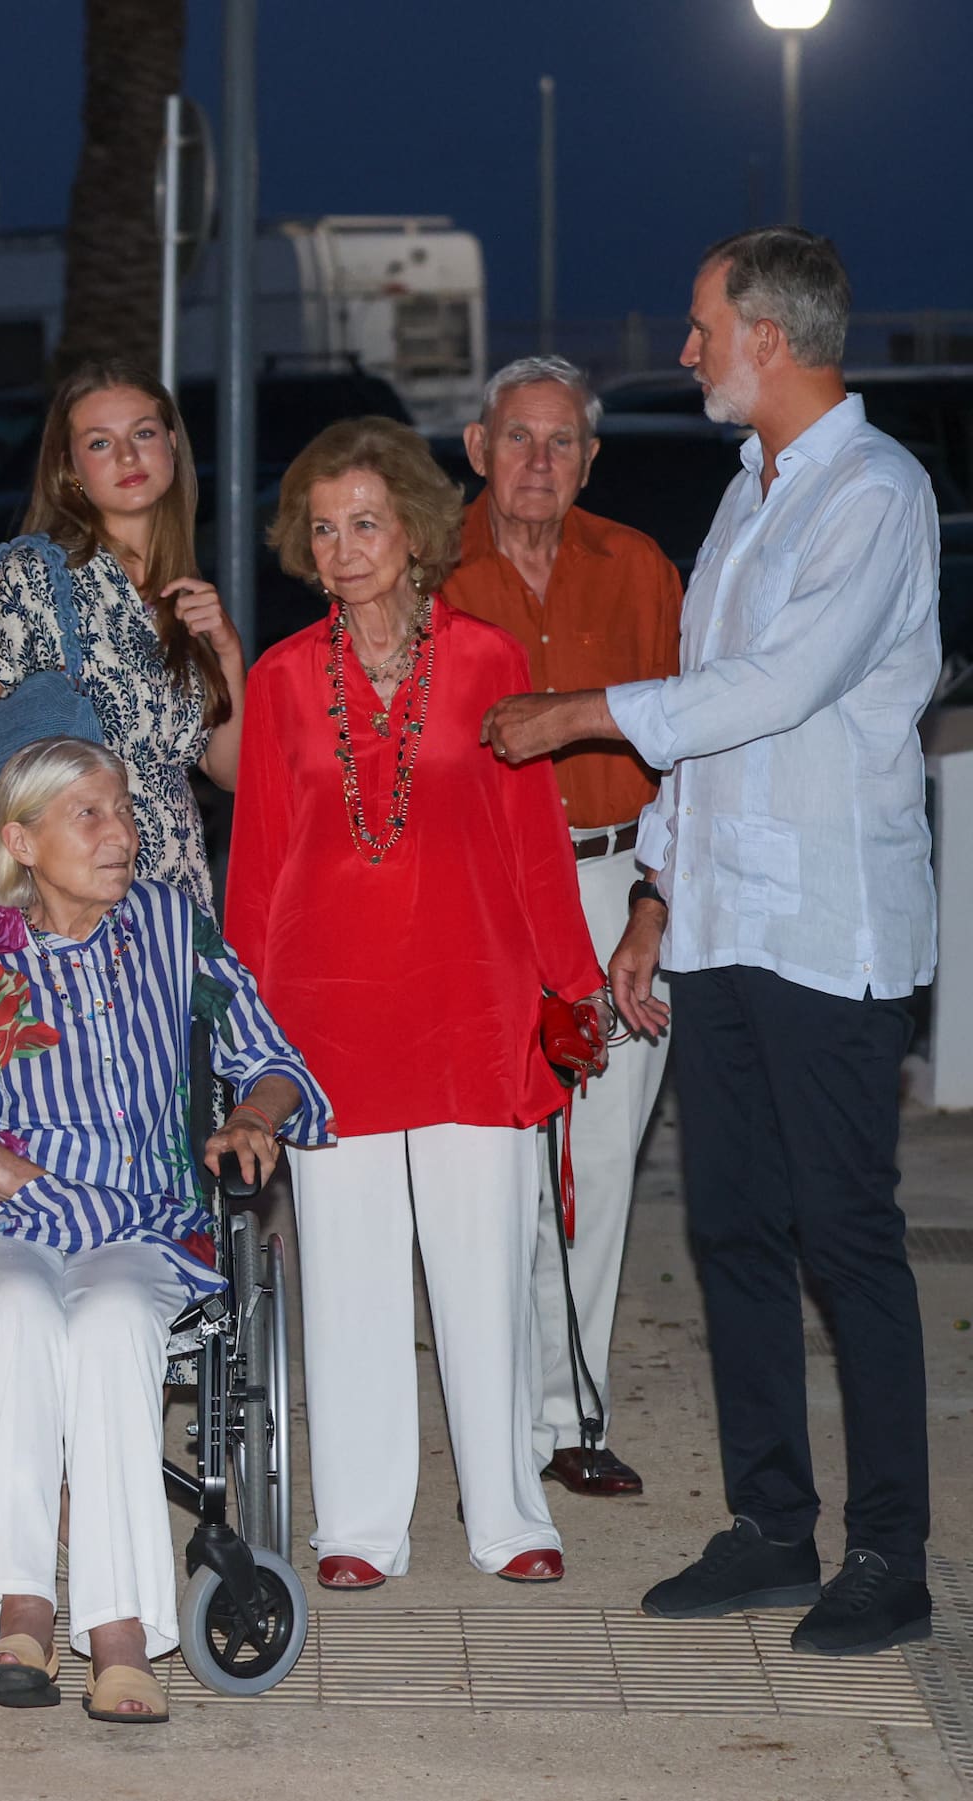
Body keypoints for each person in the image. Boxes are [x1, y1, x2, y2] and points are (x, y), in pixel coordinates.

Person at [482, 227, 938, 1657]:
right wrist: (657, 902)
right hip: (724, 924)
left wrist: (580, 713)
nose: (685, 352)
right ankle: (767, 1527)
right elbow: (710, 726)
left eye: (699, 327)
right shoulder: (749, 495)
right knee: (732, 1227)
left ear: (772, 336)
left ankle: (889, 1552)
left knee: (846, 1239)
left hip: (829, 929)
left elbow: (776, 687)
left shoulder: (876, 492)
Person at [224, 416, 608, 1591]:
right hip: (326, 1015)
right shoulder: (285, 679)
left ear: (415, 532)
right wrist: (243, 1033)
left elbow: (533, 839)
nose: (344, 548)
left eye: (366, 524)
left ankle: (507, 1514)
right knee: (345, 1274)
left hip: (471, 1003)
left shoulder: (488, 660)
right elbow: (257, 864)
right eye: (325, 529)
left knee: (484, 1266)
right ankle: (359, 1524)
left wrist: (576, 985)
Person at [0, 736, 329, 1720]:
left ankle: (121, 1627)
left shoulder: (175, 928)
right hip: (0, 1216)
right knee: (21, 1306)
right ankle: (24, 1607)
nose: (123, 833)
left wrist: (254, 1115)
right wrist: (30, 1183)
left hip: (144, 1223)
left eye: (124, 811)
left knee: (117, 1317)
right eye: (91, 814)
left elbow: (274, 1056)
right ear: (24, 841)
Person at [446, 355, 682, 1499]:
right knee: (496, 1166)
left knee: (598, 1158)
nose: (539, 462)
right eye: (518, 437)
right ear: (477, 447)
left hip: (617, 885)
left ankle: (569, 1412)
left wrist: (657, 900)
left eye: (562, 442)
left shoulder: (638, 567)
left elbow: (697, 742)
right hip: (484, 898)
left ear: (591, 458)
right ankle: (495, 1411)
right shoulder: (430, 569)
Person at [0, 357, 244, 914]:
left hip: (176, 911)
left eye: (142, 433)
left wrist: (228, 654)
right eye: (99, 443)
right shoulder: (37, 577)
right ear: (70, 470)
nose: (128, 456)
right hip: (71, 913)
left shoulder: (182, 589)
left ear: (172, 444)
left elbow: (226, 773)